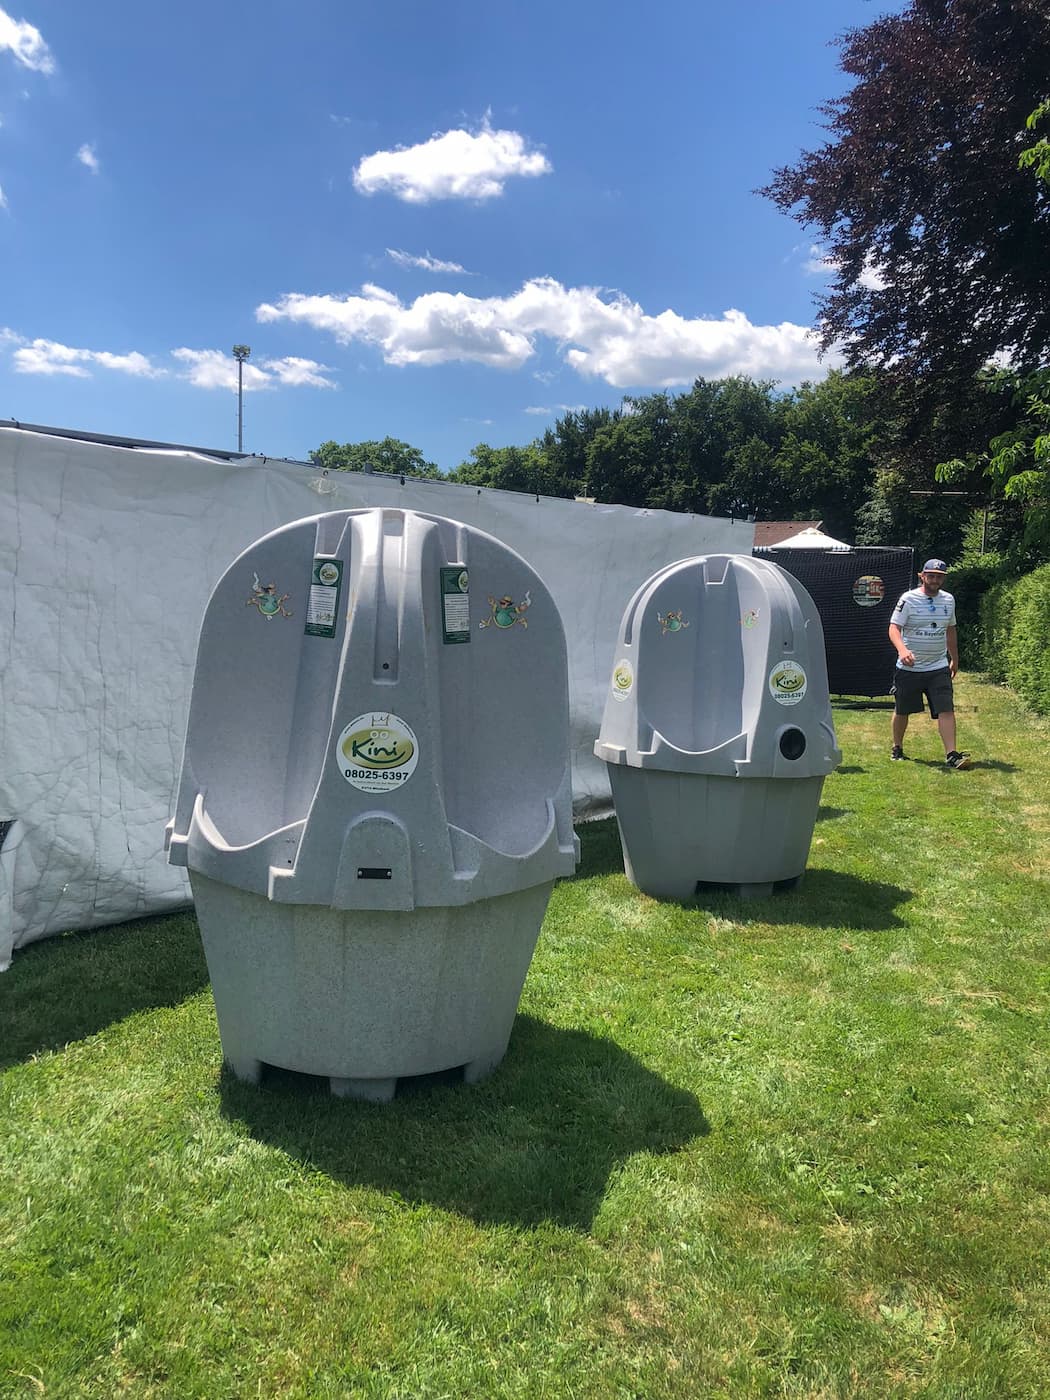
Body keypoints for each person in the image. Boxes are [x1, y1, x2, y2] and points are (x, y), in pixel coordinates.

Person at [888, 558, 972, 769]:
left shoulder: (948, 600)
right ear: (922, 576)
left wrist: (954, 658)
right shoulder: (908, 599)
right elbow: (894, 628)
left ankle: (952, 754)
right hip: (909, 668)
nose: (935, 580)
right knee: (902, 710)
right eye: (931, 576)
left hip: (938, 667)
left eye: (939, 577)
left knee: (946, 709)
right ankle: (897, 747)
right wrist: (903, 650)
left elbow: (950, 630)